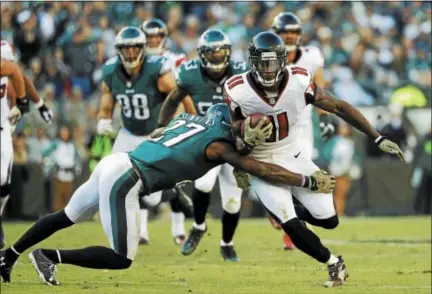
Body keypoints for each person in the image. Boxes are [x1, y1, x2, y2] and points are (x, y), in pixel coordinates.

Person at [0, 103, 335, 286]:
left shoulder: (212, 116)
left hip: (118, 161)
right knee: (122, 258)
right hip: (129, 178)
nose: (250, 144)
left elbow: (196, 113)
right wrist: (307, 182)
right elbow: (263, 170)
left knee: (67, 216)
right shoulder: (221, 146)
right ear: (239, 126)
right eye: (249, 136)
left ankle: (9, 255)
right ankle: (48, 257)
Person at [223, 32, 405, 287]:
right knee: (290, 223)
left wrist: (376, 137)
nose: (267, 68)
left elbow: (339, 107)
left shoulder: (299, 80)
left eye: (273, 62)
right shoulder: (237, 89)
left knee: (328, 220)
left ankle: (278, 206)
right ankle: (332, 263)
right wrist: (243, 145)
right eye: (262, 62)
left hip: (292, 153)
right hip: (261, 161)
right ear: (252, 62)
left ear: (282, 60)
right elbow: (232, 132)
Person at [156, 29, 249, 261]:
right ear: (201, 54)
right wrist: (161, 124)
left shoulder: (241, 73)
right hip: (206, 140)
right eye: (211, 52)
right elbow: (173, 99)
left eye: (220, 52)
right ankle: (198, 226)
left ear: (228, 53)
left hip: (234, 142)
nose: (216, 56)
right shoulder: (190, 74)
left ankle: (227, 243)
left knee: (232, 201)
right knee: (203, 183)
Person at [95, 26, 192, 245]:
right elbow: (107, 102)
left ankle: (153, 223)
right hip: (128, 133)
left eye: (134, 48)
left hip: (153, 133)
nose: (130, 53)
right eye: (125, 49)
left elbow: (179, 95)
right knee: (107, 177)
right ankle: (120, 229)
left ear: (142, 48)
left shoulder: (156, 69)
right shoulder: (111, 71)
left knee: (153, 195)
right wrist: (104, 119)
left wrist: (180, 122)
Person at [270, 12, 335, 249]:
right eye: (284, 31)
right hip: (275, 127)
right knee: (281, 175)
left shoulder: (311, 56)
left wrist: (325, 117)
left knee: (299, 177)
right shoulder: (266, 56)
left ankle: (289, 224)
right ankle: (279, 211)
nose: (289, 35)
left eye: (293, 31)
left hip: (303, 127)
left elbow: (320, 89)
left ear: (300, 35)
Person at [0, 50, 27, 249]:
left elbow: (14, 72)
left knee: (2, 181)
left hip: (1, 127)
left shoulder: (4, 62)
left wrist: (20, 102)